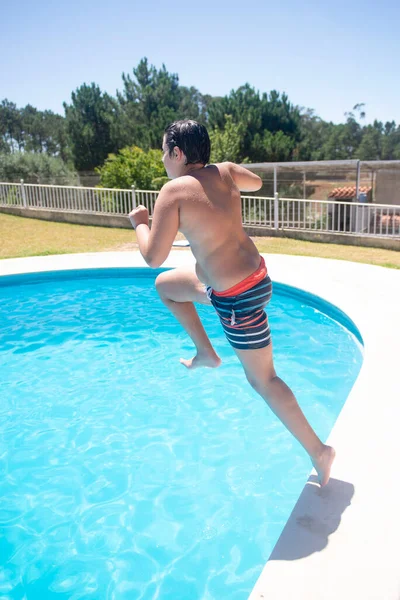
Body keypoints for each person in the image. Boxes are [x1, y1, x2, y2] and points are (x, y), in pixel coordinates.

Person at [128, 120, 335, 486]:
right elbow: (254, 182)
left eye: (164, 152)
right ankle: (205, 352)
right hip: (254, 278)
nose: (163, 159)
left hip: (237, 300)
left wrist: (141, 223)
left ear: (177, 153)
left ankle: (320, 451)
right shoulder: (225, 172)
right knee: (167, 287)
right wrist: (226, 175)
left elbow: (152, 256)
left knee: (264, 380)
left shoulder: (173, 192)